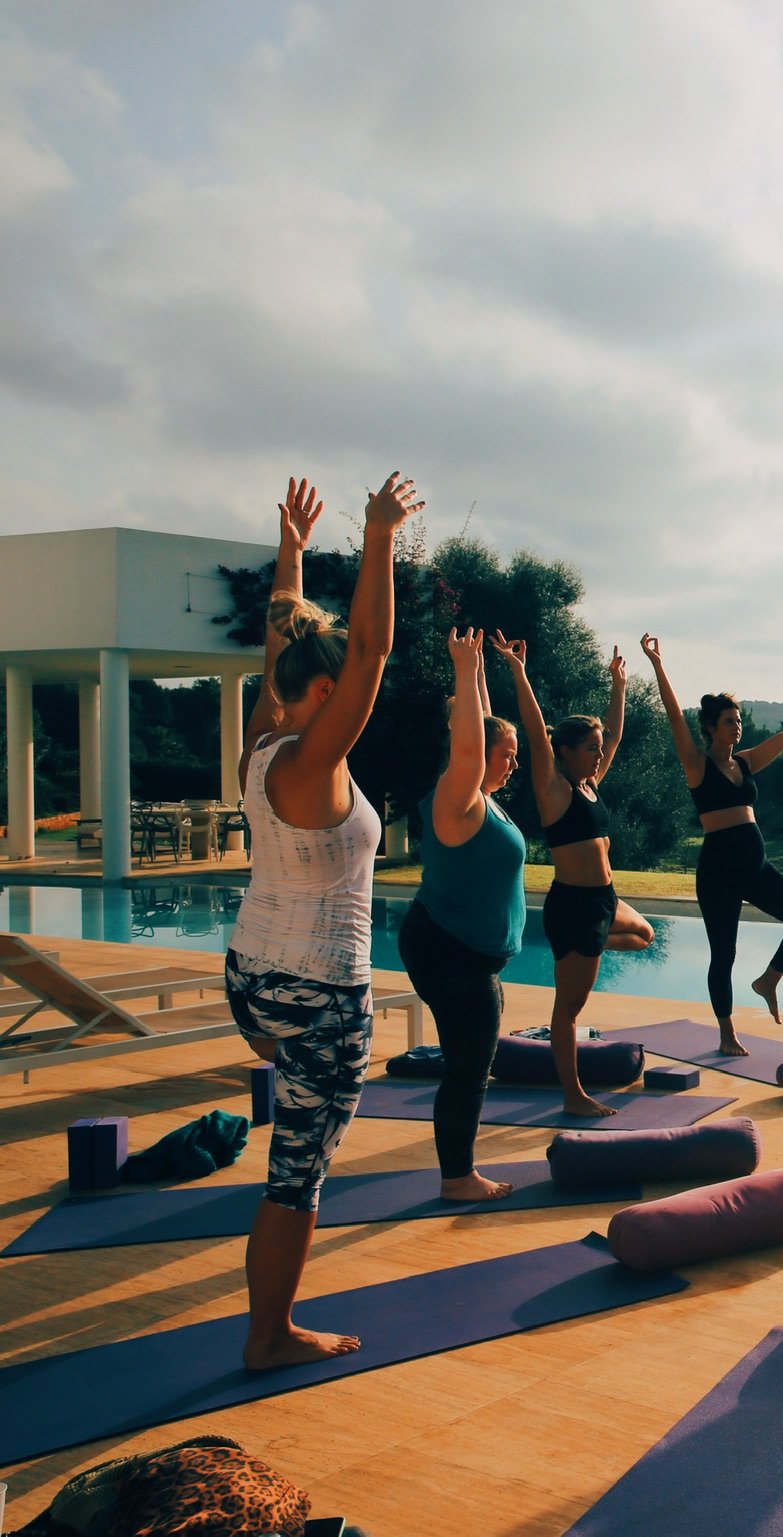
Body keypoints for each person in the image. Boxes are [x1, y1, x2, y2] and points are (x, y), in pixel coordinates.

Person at [228, 471, 419, 1369]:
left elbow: (284, 634)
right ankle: (271, 1334)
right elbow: (373, 651)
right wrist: (377, 535)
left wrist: (296, 555)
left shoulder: (262, 736)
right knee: (296, 1176)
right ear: (324, 691)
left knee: (295, 1132)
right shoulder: (310, 759)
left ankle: (272, 1322)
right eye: (340, 688)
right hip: (316, 995)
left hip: (250, 980)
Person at [640, 634, 783, 1050]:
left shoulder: (746, 761)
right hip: (719, 872)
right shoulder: (697, 765)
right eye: (730, 721)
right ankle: (727, 1033)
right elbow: (675, 717)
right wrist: (658, 666)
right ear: (711, 727)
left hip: (755, 868)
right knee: (723, 955)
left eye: (739, 720)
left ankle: (768, 980)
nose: (738, 726)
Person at [494, 631, 654, 1117]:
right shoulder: (554, 789)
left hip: (605, 900)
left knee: (645, 934)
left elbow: (618, 735)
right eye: (590, 748)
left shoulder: (589, 785)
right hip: (576, 906)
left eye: (599, 748)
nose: (599, 755)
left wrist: (619, 686)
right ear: (565, 752)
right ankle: (573, 1095)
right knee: (568, 1010)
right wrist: (519, 670)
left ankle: (592, 944)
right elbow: (534, 723)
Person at [397, 627, 527, 1200]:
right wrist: (462, 670)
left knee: (475, 1059)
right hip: (448, 948)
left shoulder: (485, 802)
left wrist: (479, 673)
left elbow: (484, 733)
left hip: (468, 954)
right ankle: (457, 1179)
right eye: (509, 755)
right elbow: (473, 744)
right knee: (469, 1069)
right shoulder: (459, 797)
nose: (513, 765)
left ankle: (458, 1172)